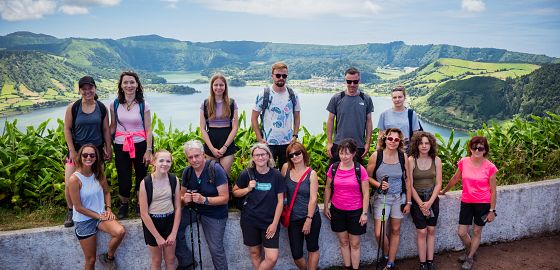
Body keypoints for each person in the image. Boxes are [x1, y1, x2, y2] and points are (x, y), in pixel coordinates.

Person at [441, 136, 498, 270]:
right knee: (462, 232)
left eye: (481, 148)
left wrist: (492, 210)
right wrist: (444, 191)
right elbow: (455, 178)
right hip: (466, 201)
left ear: (485, 150)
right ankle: (470, 250)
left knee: (477, 231)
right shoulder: (464, 162)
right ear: (470, 149)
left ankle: (470, 257)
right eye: (474, 147)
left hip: (483, 203)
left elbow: (494, 191)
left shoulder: (490, 167)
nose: (477, 150)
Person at [63, 75, 111, 227]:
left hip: (95, 152)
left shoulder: (101, 108)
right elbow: (67, 128)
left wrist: (108, 148)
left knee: (98, 182)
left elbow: (105, 129)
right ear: (79, 90)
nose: (87, 91)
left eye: (90, 87)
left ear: (95, 88)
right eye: (83, 88)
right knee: (69, 182)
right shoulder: (73, 107)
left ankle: (101, 209)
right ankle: (71, 211)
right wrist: (71, 150)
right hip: (76, 150)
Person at [68, 144, 126, 270]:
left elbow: (107, 192)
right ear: (80, 157)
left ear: (96, 157)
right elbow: (78, 207)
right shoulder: (74, 179)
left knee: (120, 232)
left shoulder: (98, 173)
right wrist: (98, 215)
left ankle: (108, 257)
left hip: (100, 215)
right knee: (91, 260)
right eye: (85, 155)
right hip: (84, 220)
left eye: (92, 155)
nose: (88, 157)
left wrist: (108, 209)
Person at [233, 143, 286, 270]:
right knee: (255, 253)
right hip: (250, 220)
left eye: (263, 154)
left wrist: (274, 224)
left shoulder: (276, 175)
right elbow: (235, 192)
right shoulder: (246, 174)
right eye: (257, 155)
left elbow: (280, 201)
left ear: (268, 156)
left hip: (269, 222)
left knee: (271, 258)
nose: (260, 157)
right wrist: (248, 189)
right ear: (253, 158)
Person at [179, 140, 230, 270]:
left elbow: (225, 198)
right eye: (190, 157)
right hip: (194, 210)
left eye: (197, 156)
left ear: (203, 154)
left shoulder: (215, 169)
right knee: (171, 229)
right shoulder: (187, 172)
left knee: (215, 249)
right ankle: (187, 262)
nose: (194, 160)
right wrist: (185, 199)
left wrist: (204, 200)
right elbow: (181, 197)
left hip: (215, 213)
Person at [110, 71, 153, 219]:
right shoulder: (115, 104)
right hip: (121, 145)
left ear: (137, 85)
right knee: (124, 177)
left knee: (141, 175)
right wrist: (106, 145)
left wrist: (149, 150)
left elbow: (148, 129)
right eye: (126, 82)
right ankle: (124, 204)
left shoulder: (143, 104)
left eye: (132, 82)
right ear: (121, 85)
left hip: (140, 144)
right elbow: (112, 126)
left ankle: (140, 204)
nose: (129, 85)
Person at [367, 128, 412, 270]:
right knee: (379, 232)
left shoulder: (402, 157)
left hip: (398, 198)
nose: (393, 142)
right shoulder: (376, 156)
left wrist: (409, 202)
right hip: (381, 197)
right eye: (390, 138)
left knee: (395, 230)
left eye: (396, 139)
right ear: (385, 139)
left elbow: (407, 180)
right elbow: (367, 177)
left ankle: (391, 262)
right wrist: (379, 184)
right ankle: (386, 253)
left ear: (400, 142)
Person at [323, 139, 370, 270]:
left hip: (356, 211)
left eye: (347, 153)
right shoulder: (333, 168)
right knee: (343, 242)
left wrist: (364, 213)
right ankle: (347, 267)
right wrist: (326, 206)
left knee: (354, 243)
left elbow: (366, 193)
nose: (344, 157)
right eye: (342, 153)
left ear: (354, 153)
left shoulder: (359, 169)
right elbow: (328, 188)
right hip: (337, 210)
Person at [251, 62, 301, 168]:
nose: (281, 78)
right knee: (268, 172)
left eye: (284, 76)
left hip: (287, 143)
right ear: (272, 76)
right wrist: (259, 138)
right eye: (278, 75)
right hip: (268, 143)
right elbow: (254, 117)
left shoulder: (293, 95)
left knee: (286, 173)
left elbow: (297, 116)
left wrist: (295, 135)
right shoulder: (264, 94)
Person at [280, 142, 321, 270]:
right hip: (293, 218)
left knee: (312, 247)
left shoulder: (311, 173)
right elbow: (281, 190)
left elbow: (313, 199)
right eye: (291, 155)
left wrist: (308, 220)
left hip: (311, 216)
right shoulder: (286, 168)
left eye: (298, 153)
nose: (295, 157)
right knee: (296, 254)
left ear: (303, 153)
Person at [138, 150, 182, 270]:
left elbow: (178, 208)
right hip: (152, 224)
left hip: (169, 221)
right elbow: (143, 213)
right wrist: (157, 236)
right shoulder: (145, 183)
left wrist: (173, 233)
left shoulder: (174, 180)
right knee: (156, 261)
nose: (165, 164)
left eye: (168, 161)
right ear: (154, 162)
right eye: (161, 160)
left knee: (171, 259)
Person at [408, 132, 442, 270]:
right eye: (421, 143)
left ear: (431, 144)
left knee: (431, 230)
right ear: (416, 144)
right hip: (417, 199)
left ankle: (430, 261)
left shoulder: (436, 160)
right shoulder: (411, 160)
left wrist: (429, 203)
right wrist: (421, 204)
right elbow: (409, 184)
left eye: (427, 143)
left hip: (432, 198)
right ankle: (422, 263)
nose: (424, 146)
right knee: (422, 231)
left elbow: (439, 183)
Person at [326, 67, 373, 165]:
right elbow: (330, 120)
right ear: (345, 81)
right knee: (333, 174)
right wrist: (329, 142)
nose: (352, 85)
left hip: (358, 146)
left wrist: (367, 143)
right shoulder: (337, 98)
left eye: (355, 82)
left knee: (356, 177)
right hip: (338, 144)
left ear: (359, 81)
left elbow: (369, 122)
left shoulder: (366, 99)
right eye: (349, 81)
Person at [200, 73, 239, 175]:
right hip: (211, 141)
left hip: (227, 141)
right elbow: (202, 128)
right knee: (211, 176)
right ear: (212, 87)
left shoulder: (231, 103)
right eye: (216, 85)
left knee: (224, 175)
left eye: (221, 85)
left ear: (225, 86)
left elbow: (235, 128)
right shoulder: (205, 104)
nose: (218, 87)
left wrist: (225, 147)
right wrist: (211, 148)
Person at [377, 86, 422, 151]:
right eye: (394, 97)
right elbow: (381, 135)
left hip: (406, 150)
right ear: (392, 99)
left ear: (404, 98)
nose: (397, 99)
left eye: (400, 97)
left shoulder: (411, 114)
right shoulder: (384, 114)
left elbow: (416, 135)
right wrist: (378, 151)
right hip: (388, 150)